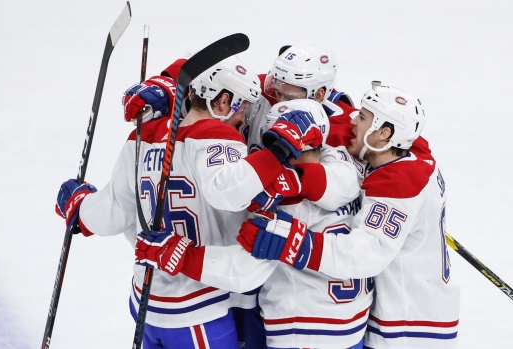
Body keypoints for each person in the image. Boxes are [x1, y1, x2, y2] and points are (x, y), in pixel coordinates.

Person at [54, 55, 323, 349]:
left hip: (148, 300)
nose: (244, 118)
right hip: (197, 310)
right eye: (243, 106)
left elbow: (112, 213)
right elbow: (229, 190)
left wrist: (79, 209)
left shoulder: (142, 137)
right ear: (223, 101)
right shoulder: (217, 136)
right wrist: (279, 150)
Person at [236, 83, 461, 348]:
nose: (353, 119)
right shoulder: (415, 157)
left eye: (363, 117)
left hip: (408, 325)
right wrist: (327, 104)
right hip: (420, 311)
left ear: (384, 133)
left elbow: (364, 254)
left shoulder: (399, 182)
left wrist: (292, 243)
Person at [134, 99, 370, 349]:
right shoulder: (347, 167)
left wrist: (181, 257)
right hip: (352, 326)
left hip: (300, 327)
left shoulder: (278, 205)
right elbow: (340, 177)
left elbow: (244, 271)